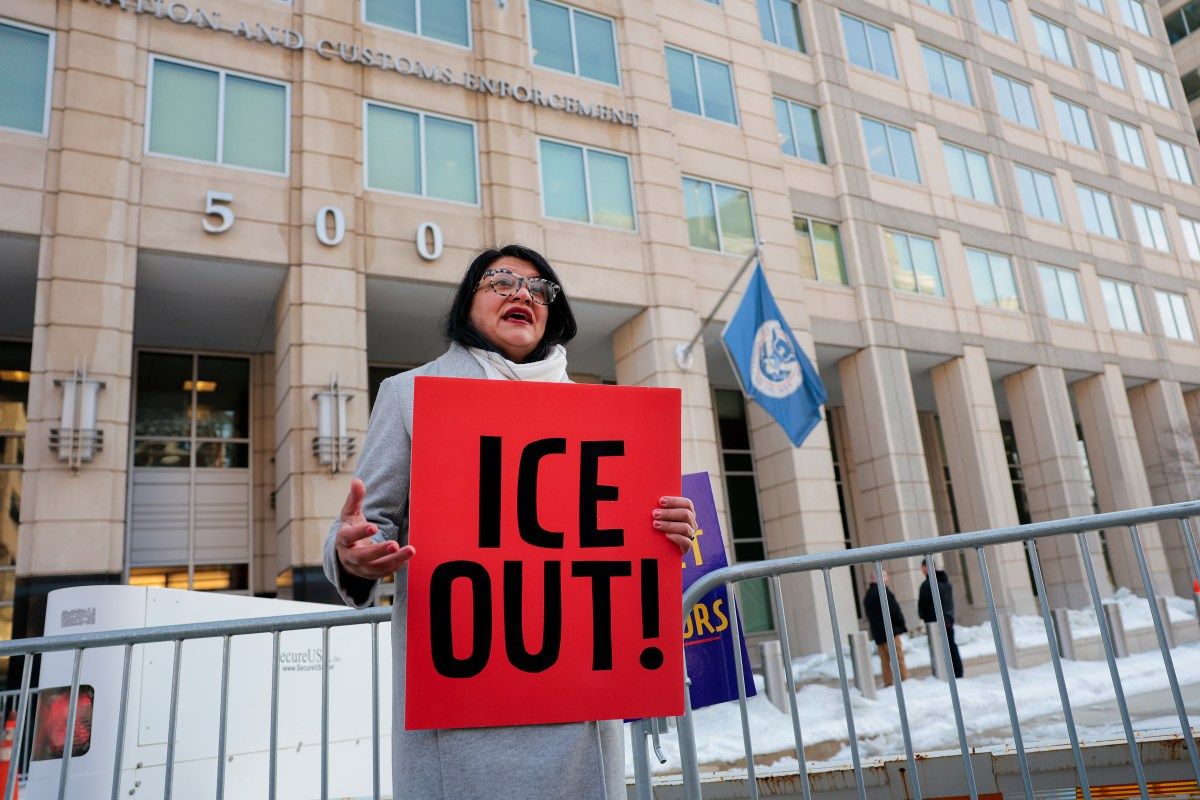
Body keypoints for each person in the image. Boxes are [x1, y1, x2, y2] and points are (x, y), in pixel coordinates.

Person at [322, 244, 698, 800]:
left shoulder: (599, 416)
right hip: (460, 717)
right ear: (466, 302)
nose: (524, 293)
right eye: (501, 281)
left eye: (540, 288)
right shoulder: (408, 396)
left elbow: (617, 542)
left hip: (577, 710)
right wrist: (354, 554)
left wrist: (666, 529)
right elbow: (369, 519)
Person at [862, 568, 909, 687]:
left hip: (878, 634)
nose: (887, 579)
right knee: (898, 659)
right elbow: (894, 610)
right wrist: (901, 624)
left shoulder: (868, 595)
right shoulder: (883, 592)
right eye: (885, 576)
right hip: (890, 631)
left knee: (884, 661)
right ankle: (905, 681)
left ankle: (888, 683)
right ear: (878, 578)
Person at [918, 557, 963, 678]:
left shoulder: (928, 585)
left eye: (922, 567)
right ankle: (957, 672)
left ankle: (946, 672)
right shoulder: (945, 582)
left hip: (935, 621)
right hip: (948, 619)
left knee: (940, 648)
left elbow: (923, 605)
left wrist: (923, 616)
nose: (921, 570)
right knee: (951, 645)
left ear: (926, 567)